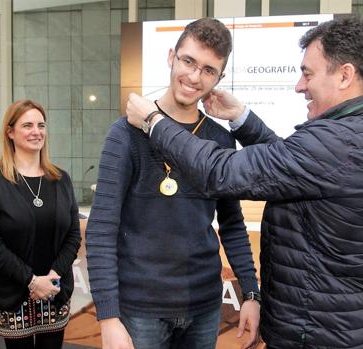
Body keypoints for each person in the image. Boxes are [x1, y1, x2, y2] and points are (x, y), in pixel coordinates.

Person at [126, 15, 363, 349]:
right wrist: (242, 118)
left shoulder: (341, 141)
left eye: (307, 73)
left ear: (344, 75)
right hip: (329, 324)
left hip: (314, 333)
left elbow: (219, 172)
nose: (300, 85)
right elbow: (291, 164)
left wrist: (154, 122)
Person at [85, 18, 260, 349]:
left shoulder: (219, 140)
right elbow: (101, 229)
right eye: (188, 61)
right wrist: (108, 317)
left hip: (205, 306)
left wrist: (250, 292)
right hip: (141, 311)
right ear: (171, 57)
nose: (194, 77)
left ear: (219, 79)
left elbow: (232, 224)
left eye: (208, 70)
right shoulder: (125, 134)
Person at [0, 99, 82, 349]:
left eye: (41, 125)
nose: (36, 131)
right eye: (27, 125)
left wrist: (53, 277)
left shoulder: (61, 179)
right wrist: (33, 281)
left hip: (55, 292)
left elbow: (73, 235)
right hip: (12, 293)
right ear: (10, 132)